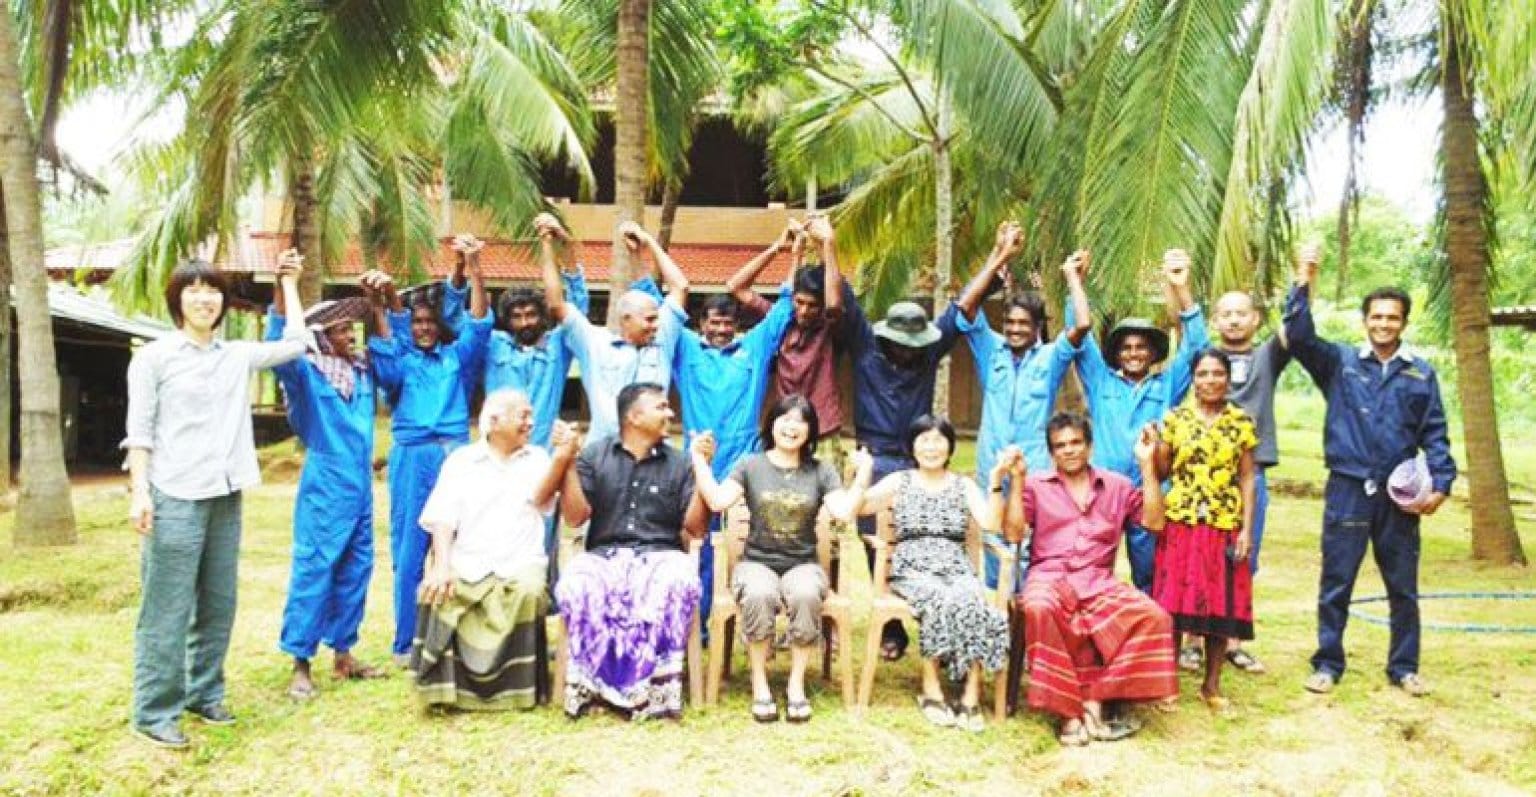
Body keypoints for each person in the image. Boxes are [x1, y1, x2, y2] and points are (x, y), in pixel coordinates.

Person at [122, 252, 310, 749]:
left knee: (218, 603)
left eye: (212, 291)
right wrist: (140, 492)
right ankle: (153, 710)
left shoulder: (235, 355)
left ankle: (204, 693)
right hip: (174, 494)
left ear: (223, 302)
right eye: (193, 290)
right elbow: (138, 433)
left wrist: (288, 282)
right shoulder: (154, 359)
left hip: (226, 493)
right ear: (177, 299)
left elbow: (296, 343)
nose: (204, 299)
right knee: (167, 607)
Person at [1285, 249, 1455, 697]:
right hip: (1348, 487)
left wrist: (1441, 483)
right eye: (1376, 316)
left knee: (1402, 585)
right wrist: (1305, 278)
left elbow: (1435, 433)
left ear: (1403, 322)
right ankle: (1327, 664)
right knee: (1337, 580)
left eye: (1392, 317)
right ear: (1365, 321)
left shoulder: (1421, 374)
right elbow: (1299, 337)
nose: (1384, 324)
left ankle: (1404, 668)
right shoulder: (1340, 363)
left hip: (1398, 496)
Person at [690, 396, 861, 723]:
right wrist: (699, 461)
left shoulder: (821, 470)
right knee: (758, 594)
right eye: (785, 418)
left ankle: (796, 684)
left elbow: (842, 510)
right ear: (772, 423)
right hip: (757, 561)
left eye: (801, 421)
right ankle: (759, 682)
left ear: (810, 431)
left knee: (807, 594)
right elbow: (717, 500)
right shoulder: (750, 465)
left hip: (802, 563)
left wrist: (862, 475)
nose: (791, 426)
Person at [364, 234, 493, 665]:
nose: (421, 328)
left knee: (463, 543)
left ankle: (458, 636)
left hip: (455, 454)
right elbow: (387, 345)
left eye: (428, 322)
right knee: (410, 546)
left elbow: (478, 322)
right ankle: (405, 642)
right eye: (416, 323)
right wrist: (379, 302)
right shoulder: (403, 363)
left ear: (439, 326)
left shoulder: (458, 358)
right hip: (412, 456)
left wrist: (474, 267)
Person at [1012, 413, 1177, 745]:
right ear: (1051, 453)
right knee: (1039, 607)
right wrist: (1016, 483)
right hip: (1049, 577)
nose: (1069, 451)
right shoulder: (1036, 486)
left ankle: (1095, 699)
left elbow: (1156, 523)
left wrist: (1146, 466)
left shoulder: (1117, 486)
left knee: (1154, 618)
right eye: (1060, 446)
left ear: (1089, 446)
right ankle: (1068, 714)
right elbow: (1013, 532)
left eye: (1075, 443)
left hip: (1098, 581)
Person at [410, 391, 578, 711]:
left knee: (529, 591)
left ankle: (517, 692)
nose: (531, 422)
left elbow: (542, 500)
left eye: (531, 416)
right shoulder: (461, 461)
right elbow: (442, 519)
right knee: (439, 588)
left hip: (520, 561)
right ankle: (447, 690)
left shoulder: (538, 458)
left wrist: (561, 457)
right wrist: (442, 564)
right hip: (469, 559)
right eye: (523, 416)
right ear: (494, 421)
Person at [556, 383, 711, 719]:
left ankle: (655, 693)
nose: (670, 413)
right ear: (634, 416)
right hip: (605, 554)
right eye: (661, 407)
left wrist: (701, 470)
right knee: (576, 583)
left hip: (661, 554)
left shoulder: (680, 462)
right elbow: (574, 518)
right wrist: (567, 464)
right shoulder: (595, 456)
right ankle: (592, 688)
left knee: (675, 582)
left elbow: (696, 528)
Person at [853, 415, 1015, 732]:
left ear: (950, 446)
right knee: (937, 600)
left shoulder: (963, 485)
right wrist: (863, 472)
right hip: (913, 568)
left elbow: (991, 524)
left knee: (973, 601)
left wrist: (996, 479)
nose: (931, 447)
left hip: (955, 566)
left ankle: (971, 692)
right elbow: (859, 508)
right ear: (912, 446)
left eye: (938, 439)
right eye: (924, 440)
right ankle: (931, 688)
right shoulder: (900, 481)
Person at [673, 227, 798, 631]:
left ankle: (748, 626)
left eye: (727, 323)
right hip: (701, 461)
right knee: (697, 545)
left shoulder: (755, 347)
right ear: (701, 324)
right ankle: (700, 625)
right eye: (714, 323)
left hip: (746, 462)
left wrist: (787, 251)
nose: (721, 330)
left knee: (749, 545)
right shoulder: (686, 347)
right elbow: (667, 297)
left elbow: (784, 307)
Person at [268, 289, 383, 701]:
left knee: (357, 568)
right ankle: (300, 661)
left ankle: (344, 654)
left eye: (350, 328)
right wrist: (285, 290)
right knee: (315, 568)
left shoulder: (361, 374)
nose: (349, 335)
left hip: (361, 488)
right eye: (338, 330)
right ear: (318, 336)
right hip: (325, 486)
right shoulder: (307, 377)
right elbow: (278, 346)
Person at [1072, 249, 1209, 592]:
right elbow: (1080, 337)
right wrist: (1075, 283)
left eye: (1141, 347)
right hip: (1102, 490)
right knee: (1090, 567)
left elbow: (1197, 347)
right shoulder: (1101, 380)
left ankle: (1149, 638)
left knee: (1150, 573)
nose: (1134, 353)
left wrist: (1182, 289)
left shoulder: (1167, 385)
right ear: (1117, 353)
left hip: (1148, 490)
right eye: (1126, 348)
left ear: (1153, 353)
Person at [843, 272, 964, 661]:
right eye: (903, 344)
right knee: (876, 543)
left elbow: (959, 310)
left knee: (929, 539)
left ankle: (937, 618)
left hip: (919, 460)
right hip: (875, 457)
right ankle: (891, 628)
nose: (910, 352)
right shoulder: (866, 351)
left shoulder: (928, 356)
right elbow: (846, 302)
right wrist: (827, 249)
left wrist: (999, 257)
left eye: (916, 345)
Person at [1189, 269, 1298, 674]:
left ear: (1255, 319)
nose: (1233, 320)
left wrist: (1303, 281)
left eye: (1241, 313)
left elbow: (1296, 328)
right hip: (1202, 474)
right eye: (1226, 314)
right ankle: (1193, 640)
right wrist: (1181, 283)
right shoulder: (1205, 358)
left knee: (1241, 557)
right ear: (1215, 321)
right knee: (1198, 557)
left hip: (1251, 476)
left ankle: (1233, 641)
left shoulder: (1268, 357)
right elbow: (1185, 313)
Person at [1146, 348, 1258, 710]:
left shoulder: (1241, 422)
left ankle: (1211, 686)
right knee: (1174, 604)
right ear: (1193, 379)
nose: (1210, 380)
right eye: (1203, 374)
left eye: (1217, 373)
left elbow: (1246, 478)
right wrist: (1155, 447)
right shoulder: (1175, 419)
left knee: (1220, 605)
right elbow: (1163, 472)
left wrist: (1246, 530)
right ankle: (1167, 685)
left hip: (1223, 524)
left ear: (1228, 378)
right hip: (1182, 522)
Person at [545, 221, 690, 442]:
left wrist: (648, 243)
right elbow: (556, 304)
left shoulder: (663, 340)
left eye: (656, 319)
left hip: (656, 454)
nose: (655, 325)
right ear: (626, 320)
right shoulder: (594, 343)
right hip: (605, 454)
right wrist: (549, 246)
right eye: (649, 319)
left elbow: (680, 286)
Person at [727, 214, 848, 443]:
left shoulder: (828, 326)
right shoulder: (781, 320)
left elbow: (834, 302)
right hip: (786, 427)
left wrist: (827, 243)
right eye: (799, 302)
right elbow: (736, 287)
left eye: (812, 306)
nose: (803, 311)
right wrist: (779, 249)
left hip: (822, 429)